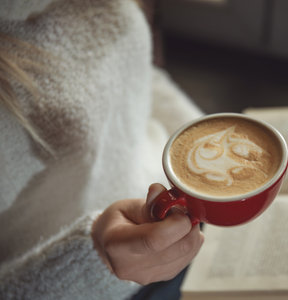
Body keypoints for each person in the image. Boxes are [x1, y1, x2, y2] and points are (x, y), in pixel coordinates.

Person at [0, 0, 204, 299]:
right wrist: (96, 260)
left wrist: (199, 136)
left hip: (188, 210)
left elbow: (133, 73)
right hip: (100, 285)